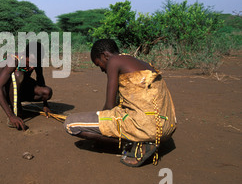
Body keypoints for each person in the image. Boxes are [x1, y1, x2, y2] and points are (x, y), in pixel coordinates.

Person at [64, 39, 176, 167]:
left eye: (98, 64)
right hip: (165, 128)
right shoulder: (137, 62)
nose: (101, 69)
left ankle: (138, 144)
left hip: (145, 127)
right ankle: (146, 141)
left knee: (70, 124)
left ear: (104, 55)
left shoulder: (114, 61)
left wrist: (100, 127)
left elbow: (109, 106)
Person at [0, 42, 52, 130]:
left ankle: (17, 105)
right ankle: (14, 110)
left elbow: (40, 79)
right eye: (30, 62)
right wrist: (11, 116)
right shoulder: (13, 60)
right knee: (18, 75)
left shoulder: (36, 61)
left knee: (47, 92)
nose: (32, 66)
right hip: (4, 91)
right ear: (24, 55)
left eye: (35, 63)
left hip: (21, 89)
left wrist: (45, 104)